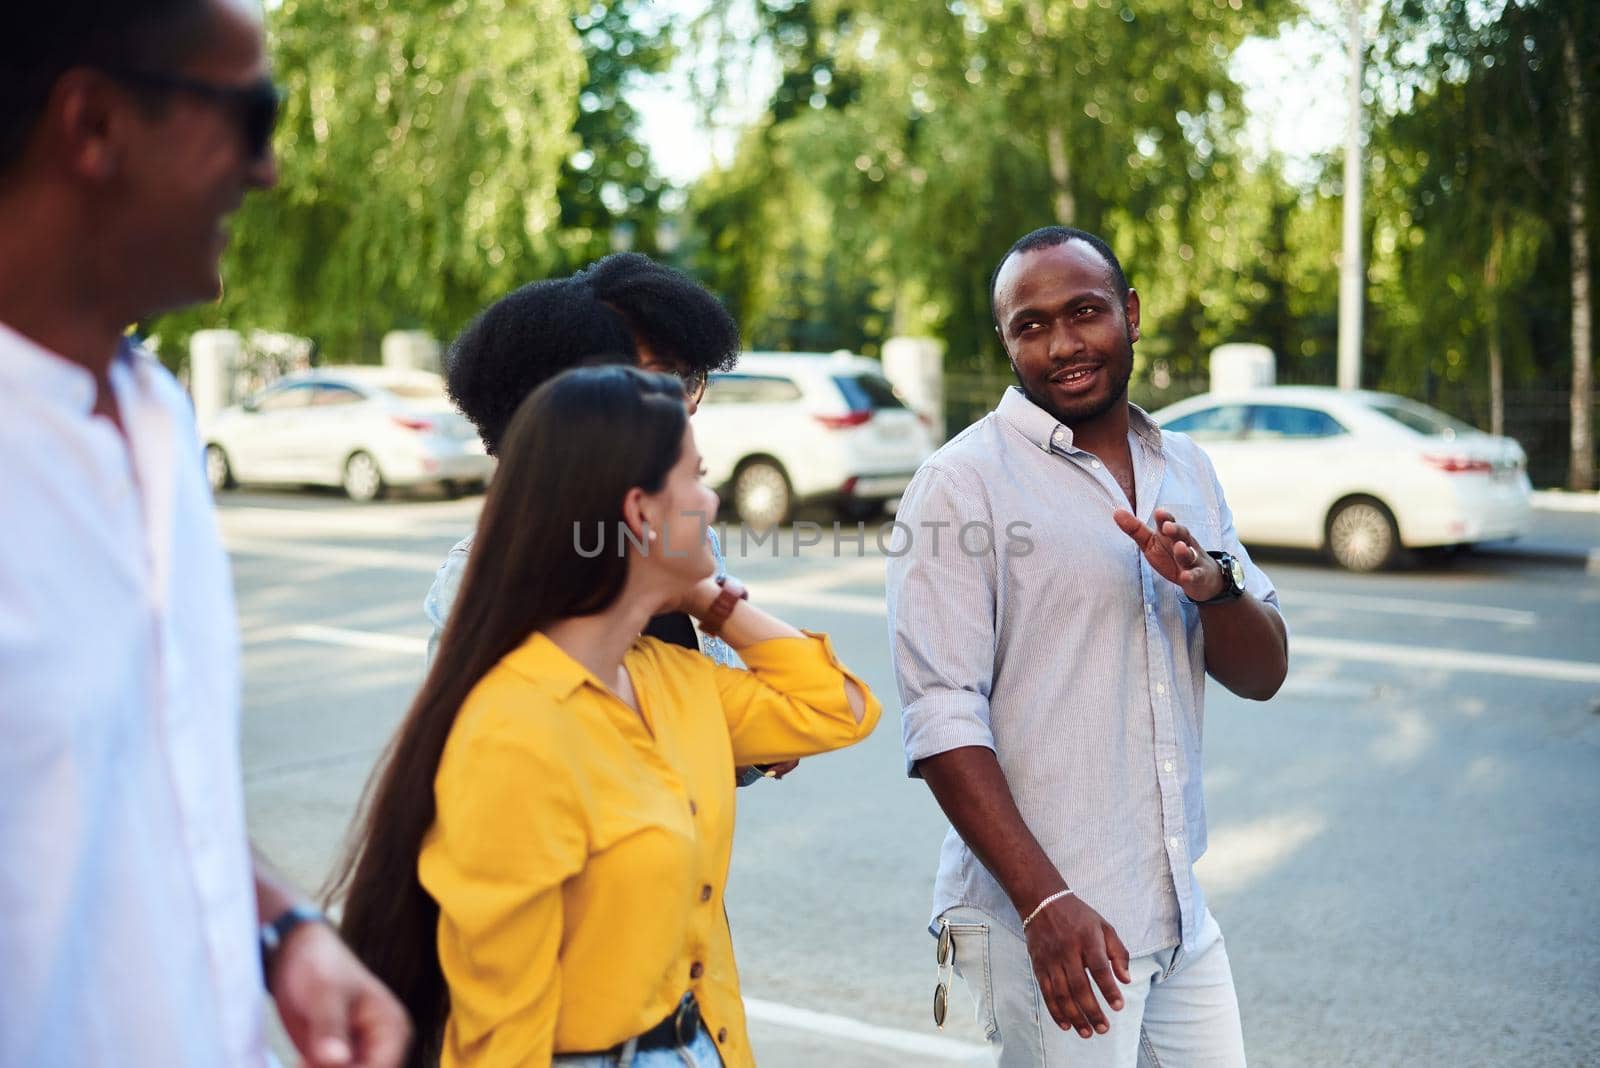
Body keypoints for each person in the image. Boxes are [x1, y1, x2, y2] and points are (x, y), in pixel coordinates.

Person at [0, 2, 411, 1066]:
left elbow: (144, 775)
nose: (268, 172)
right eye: (252, 115)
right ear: (93, 123)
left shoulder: (159, 418)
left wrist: (280, 927)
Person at [331, 366, 882, 1067]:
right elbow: (501, 1032)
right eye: (698, 478)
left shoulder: (671, 679)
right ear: (642, 512)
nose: (714, 503)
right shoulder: (515, 727)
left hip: (700, 1046)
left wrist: (711, 601)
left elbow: (839, 708)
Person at [885, 226, 1289, 1067]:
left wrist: (1212, 588)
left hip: (1179, 911)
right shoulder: (961, 485)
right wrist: (1044, 906)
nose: (1063, 345)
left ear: (1130, 314)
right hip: (1062, 923)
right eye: (1030, 326)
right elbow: (942, 721)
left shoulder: (1187, 468)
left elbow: (1264, 672)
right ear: (1004, 342)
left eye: (1084, 312)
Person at [423, 254, 798, 782]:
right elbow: (484, 779)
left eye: (686, 378)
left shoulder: (684, 536)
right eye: (654, 380)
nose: (681, 405)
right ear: (562, 401)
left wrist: (751, 741)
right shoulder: (484, 574)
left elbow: (746, 728)